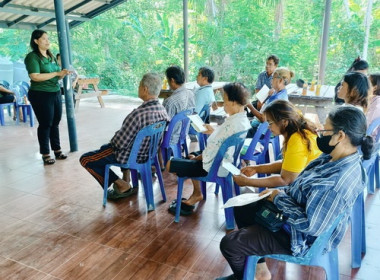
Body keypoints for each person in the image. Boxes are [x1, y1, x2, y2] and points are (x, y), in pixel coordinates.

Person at [217, 106, 373, 280]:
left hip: (300, 237)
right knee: (242, 207)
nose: (319, 132)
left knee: (230, 244)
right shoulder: (334, 157)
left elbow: (310, 226)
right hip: (294, 212)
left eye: (325, 129)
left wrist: (278, 197)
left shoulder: (335, 183)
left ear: (341, 136)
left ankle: (246, 276)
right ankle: (258, 272)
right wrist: (277, 195)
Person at [80, 73, 169, 200]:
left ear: (145, 89)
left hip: (130, 156)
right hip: (147, 155)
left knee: (86, 159)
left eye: (139, 85)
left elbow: (119, 144)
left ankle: (122, 185)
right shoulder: (162, 110)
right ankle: (125, 178)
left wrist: (114, 138)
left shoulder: (138, 114)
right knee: (105, 149)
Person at [166, 83, 251, 215]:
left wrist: (196, 158)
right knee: (191, 155)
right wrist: (215, 131)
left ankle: (197, 193)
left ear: (234, 103)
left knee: (170, 164)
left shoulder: (232, 123)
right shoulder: (242, 120)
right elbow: (225, 138)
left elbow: (209, 153)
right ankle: (197, 193)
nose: (223, 104)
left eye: (225, 101)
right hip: (226, 162)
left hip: (213, 167)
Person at [234, 100, 321, 189]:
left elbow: (286, 180)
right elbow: (287, 164)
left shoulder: (297, 140)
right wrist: (256, 169)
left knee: (268, 195)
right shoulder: (297, 133)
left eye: (270, 123)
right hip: (308, 180)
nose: (268, 127)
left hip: (310, 186)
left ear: (284, 122)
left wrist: (246, 181)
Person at [24, 29, 71, 165]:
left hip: (55, 92)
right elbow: (35, 76)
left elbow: (56, 75)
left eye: (48, 38)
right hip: (40, 94)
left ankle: (57, 150)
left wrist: (62, 73)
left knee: (55, 122)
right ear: (36, 41)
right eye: (44, 39)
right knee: (46, 124)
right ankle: (45, 153)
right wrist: (56, 73)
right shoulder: (33, 57)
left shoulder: (50, 56)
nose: (47, 41)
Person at [246, 67, 294, 138]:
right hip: (263, 126)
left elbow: (263, 119)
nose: (271, 80)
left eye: (273, 78)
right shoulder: (280, 92)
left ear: (280, 80)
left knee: (240, 133)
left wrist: (249, 105)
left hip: (264, 132)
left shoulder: (278, 99)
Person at [367, 74, 380, 139]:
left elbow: (368, 124)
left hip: (367, 140)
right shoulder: (370, 99)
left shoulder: (377, 102)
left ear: (375, 87)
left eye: (367, 82)